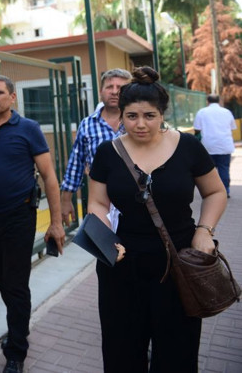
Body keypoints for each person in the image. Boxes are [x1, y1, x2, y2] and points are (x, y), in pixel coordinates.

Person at [88, 67, 227, 372]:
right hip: (121, 264)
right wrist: (107, 240)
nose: (140, 124)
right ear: (120, 115)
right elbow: (98, 203)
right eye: (131, 116)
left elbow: (216, 191)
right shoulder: (107, 153)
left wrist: (204, 231)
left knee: (177, 351)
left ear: (163, 113)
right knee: (121, 350)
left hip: (179, 261)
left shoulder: (189, 147)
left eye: (149, 116)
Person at [0, 75, 65, 373]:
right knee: (4, 280)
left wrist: (56, 223)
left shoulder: (29, 129)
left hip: (19, 217)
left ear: (12, 98)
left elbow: (49, 177)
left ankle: (16, 351)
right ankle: (19, 325)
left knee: (17, 284)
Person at [60, 68, 132, 226]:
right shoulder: (87, 124)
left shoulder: (138, 123)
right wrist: (65, 200)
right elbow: (76, 163)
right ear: (100, 91)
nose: (114, 92)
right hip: (99, 203)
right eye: (109, 87)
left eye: (120, 88)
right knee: (102, 248)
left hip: (135, 202)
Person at [194, 94, 237, 198]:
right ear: (219, 101)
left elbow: (197, 129)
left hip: (208, 146)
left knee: (208, 171)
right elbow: (232, 127)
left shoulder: (202, 112)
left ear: (207, 101)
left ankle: (210, 192)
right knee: (224, 168)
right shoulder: (227, 112)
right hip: (224, 145)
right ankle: (225, 191)